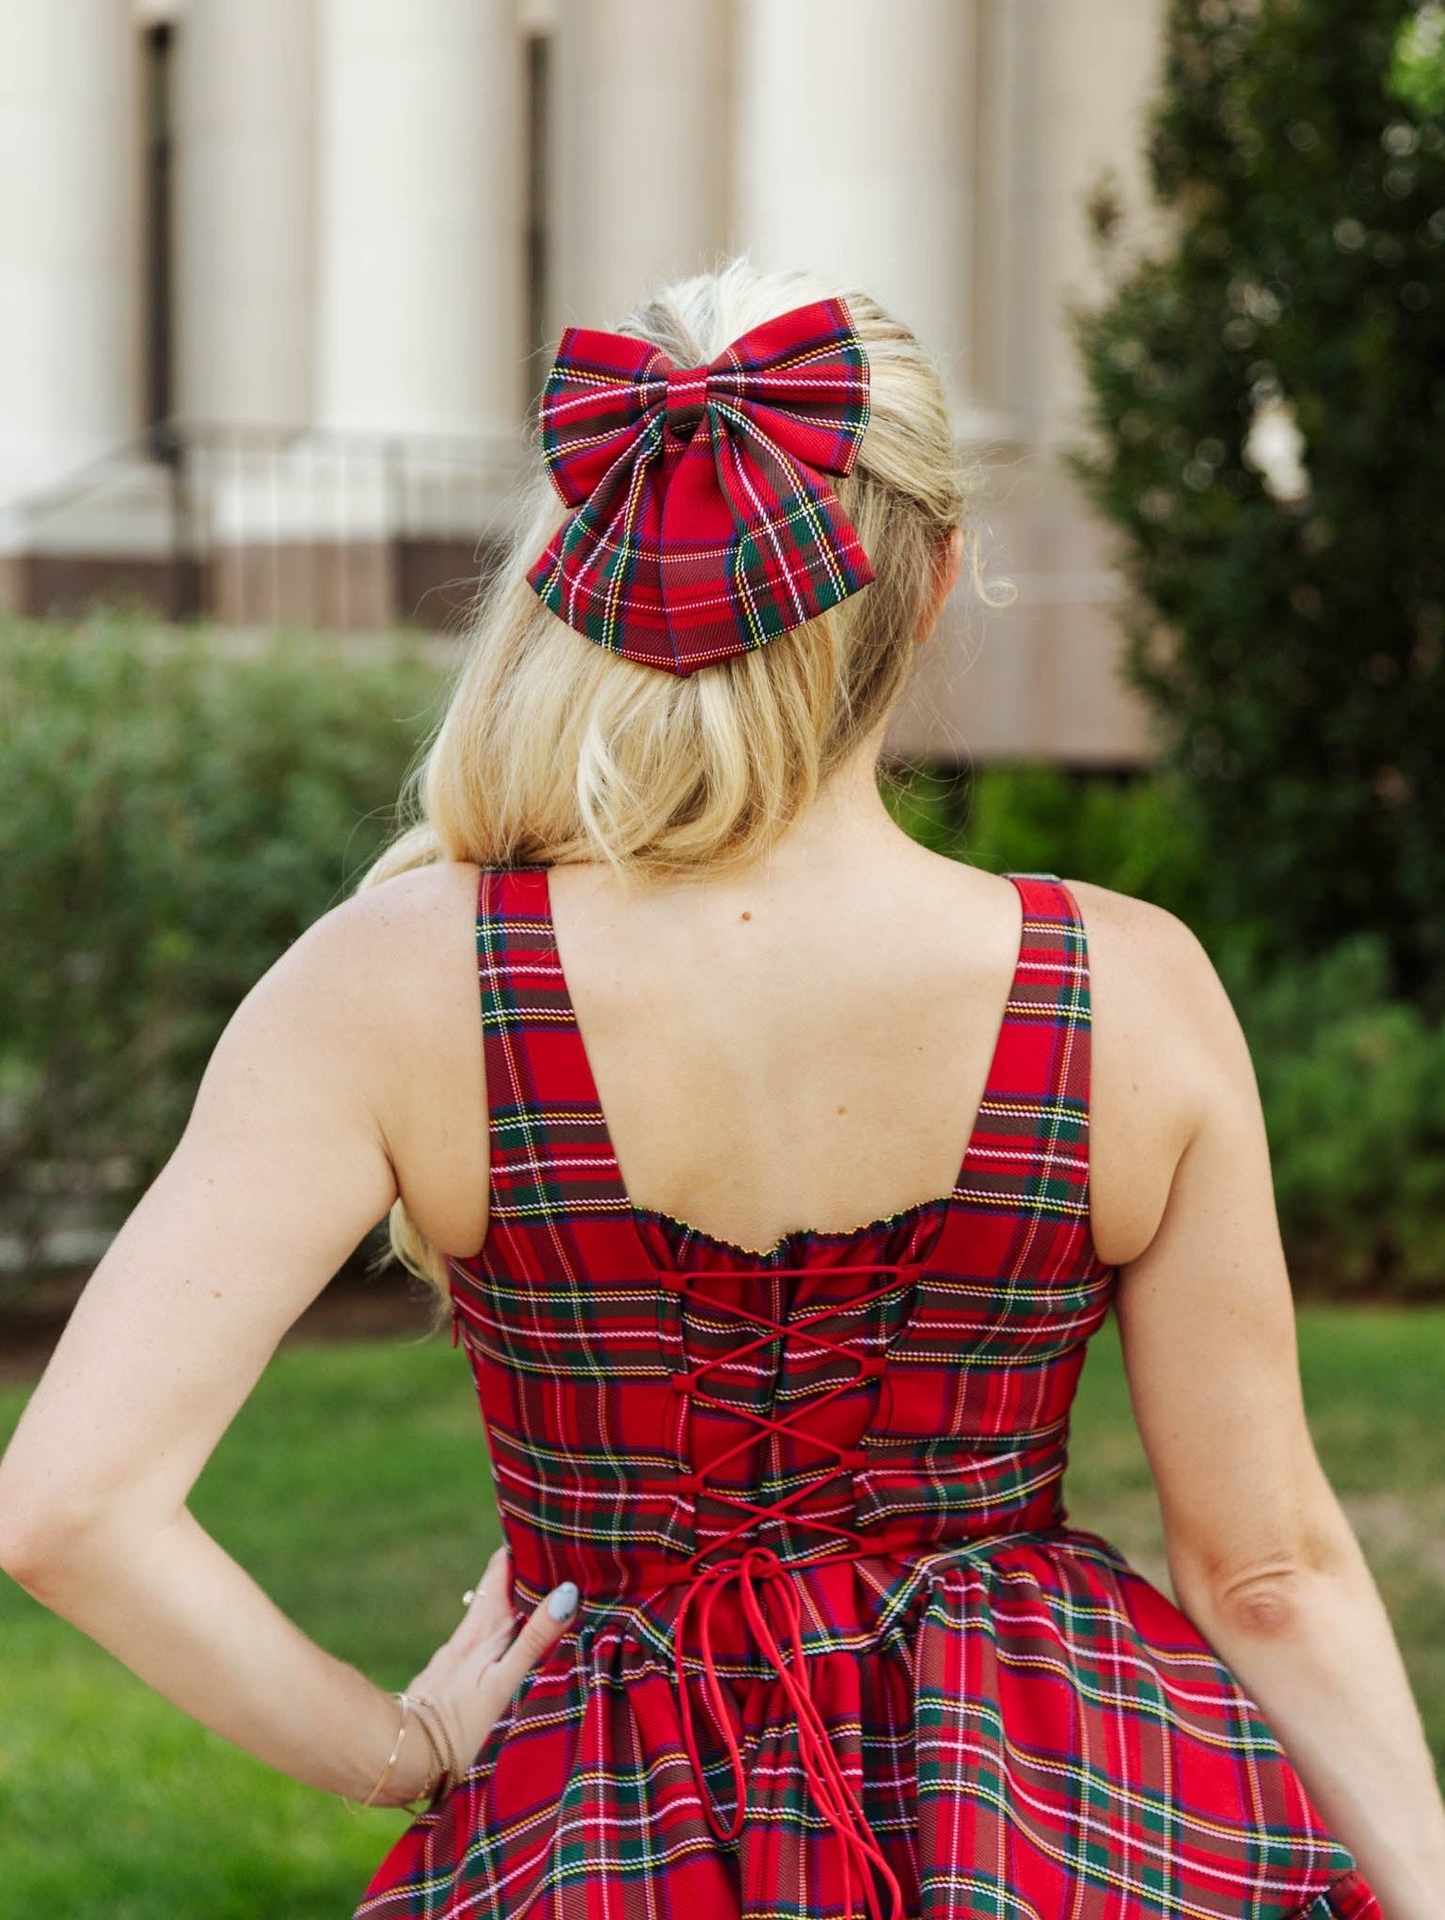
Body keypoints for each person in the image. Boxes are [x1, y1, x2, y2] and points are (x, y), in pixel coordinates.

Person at [0, 257, 1441, 1920]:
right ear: (937, 580)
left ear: (588, 575)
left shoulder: (396, 983)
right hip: (1064, 1821)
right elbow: (1265, 1576)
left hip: (604, 1832)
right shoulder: (1122, 987)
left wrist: (397, 1746)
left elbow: (71, 1509)